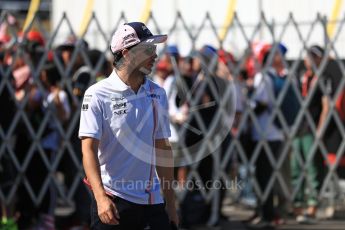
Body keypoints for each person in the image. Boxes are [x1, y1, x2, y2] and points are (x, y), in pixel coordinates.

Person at [79, 22, 179, 229]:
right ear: (126, 54)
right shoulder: (97, 94)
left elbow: (163, 148)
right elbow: (88, 150)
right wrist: (100, 199)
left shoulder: (157, 93)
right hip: (114, 201)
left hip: (153, 202)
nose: (155, 55)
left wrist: (171, 204)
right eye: (148, 49)